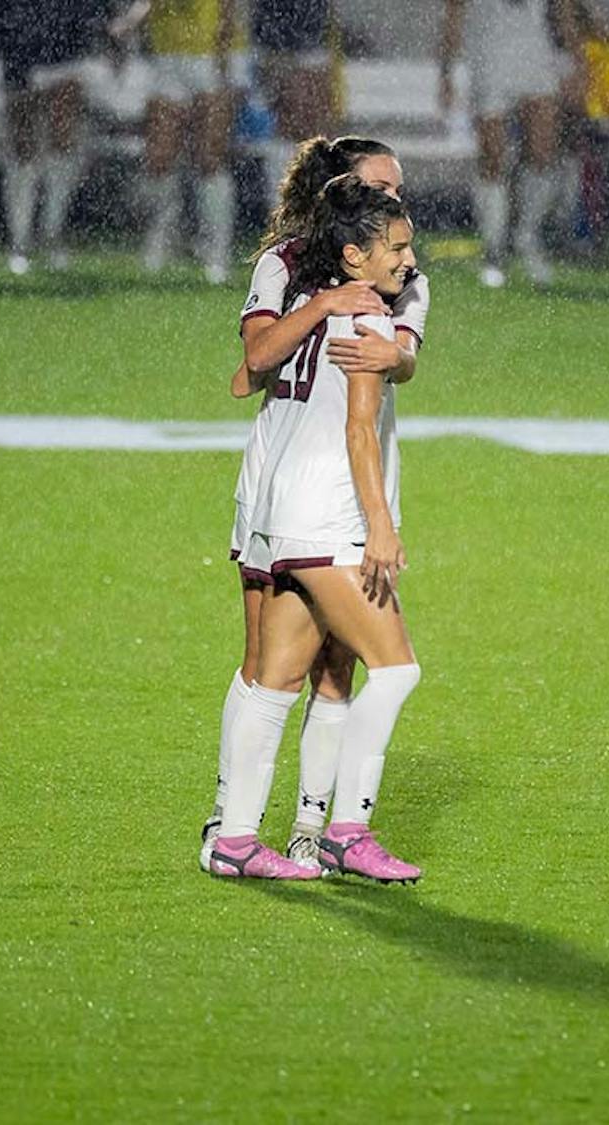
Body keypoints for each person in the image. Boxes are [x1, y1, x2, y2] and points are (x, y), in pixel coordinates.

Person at [200, 136, 427, 877]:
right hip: (326, 507)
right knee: (389, 670)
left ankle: (243, 837)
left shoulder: (383, 284)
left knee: (287, 673)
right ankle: (342, 827)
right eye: (386, 205)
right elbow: (349, 418)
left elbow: (246, 378)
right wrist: (382, 526)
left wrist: (391, 349)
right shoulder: (332, 290)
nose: (407, 245)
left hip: (301, 495)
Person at [441, 0, 578, 287]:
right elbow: (454, 11)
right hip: (489, 52)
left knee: (543, 152)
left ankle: (527, 235)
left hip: (535, 50)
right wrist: (447, 71)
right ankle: (494, 250)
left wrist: (573, 61)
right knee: (493, 157)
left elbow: (562, 9)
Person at [112, 0, 239, 282]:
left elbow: (228, 9)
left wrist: (224, 57)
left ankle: (216, 252)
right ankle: (162, 240)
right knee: (159, 158)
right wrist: (131, 22)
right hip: (167, 57)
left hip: (207, 55)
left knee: (209, 159)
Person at [0, 0, 95, 275]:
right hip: (20, 52)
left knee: (63, 144)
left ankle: (52, 231)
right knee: (24, 151)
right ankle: (20, 240)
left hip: (66, 49)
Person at [251, 0, 336, 211]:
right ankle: (283, 210)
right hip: (276, 40)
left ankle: (313, 209)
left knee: (310, 128)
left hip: (308, 36)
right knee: (287, 124)